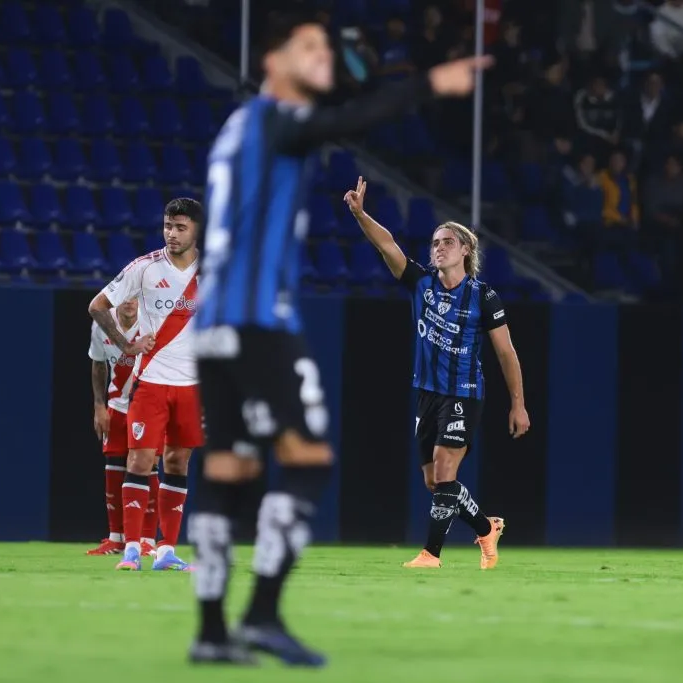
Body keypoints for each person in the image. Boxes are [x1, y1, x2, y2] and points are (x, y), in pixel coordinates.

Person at [187, 12, 492, 667]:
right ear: (273, 60)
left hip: (213, 319)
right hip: (254, 321)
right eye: (307, 46)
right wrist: (428, 83)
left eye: (325, 46)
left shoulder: (239, 127)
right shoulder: (274, 117)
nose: (320, 54)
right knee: (307, 460)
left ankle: (211, 629)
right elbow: (344, 123)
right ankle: (262, 614)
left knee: (230, 466)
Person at [344, 176, 530, 570]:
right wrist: (361, 214)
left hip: (464, 393)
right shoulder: (421, 284)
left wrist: (518, 405)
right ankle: (486, 527)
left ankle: (430, 554)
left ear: (466, 249)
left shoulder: (484, 296)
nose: (438, 247)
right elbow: (386, 244)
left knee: (446, 470)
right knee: (435, 483)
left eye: (447, 241)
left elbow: (506, 352)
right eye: (434, 242)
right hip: (427, 394)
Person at [88, 198, 205, 572]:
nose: (172, 234)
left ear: (197, 230)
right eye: (168, 226)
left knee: (177, 461)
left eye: (180, 227)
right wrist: (125, 345)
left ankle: (167, 550)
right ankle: (132, 551)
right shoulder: (145, 268)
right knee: (139, 459)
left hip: (192, 385)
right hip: (150, 382)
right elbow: (97, 305)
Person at [86, 298, 165, 558]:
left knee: (148, 464)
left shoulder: (151, 319)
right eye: (124, 298)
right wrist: (99, 405)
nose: (130, 303)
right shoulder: (102, 324)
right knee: (113, 465)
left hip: (149, 403)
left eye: (134, 297)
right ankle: (116, 538)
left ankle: (146, 539)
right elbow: (98, 363)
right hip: (117, 404)